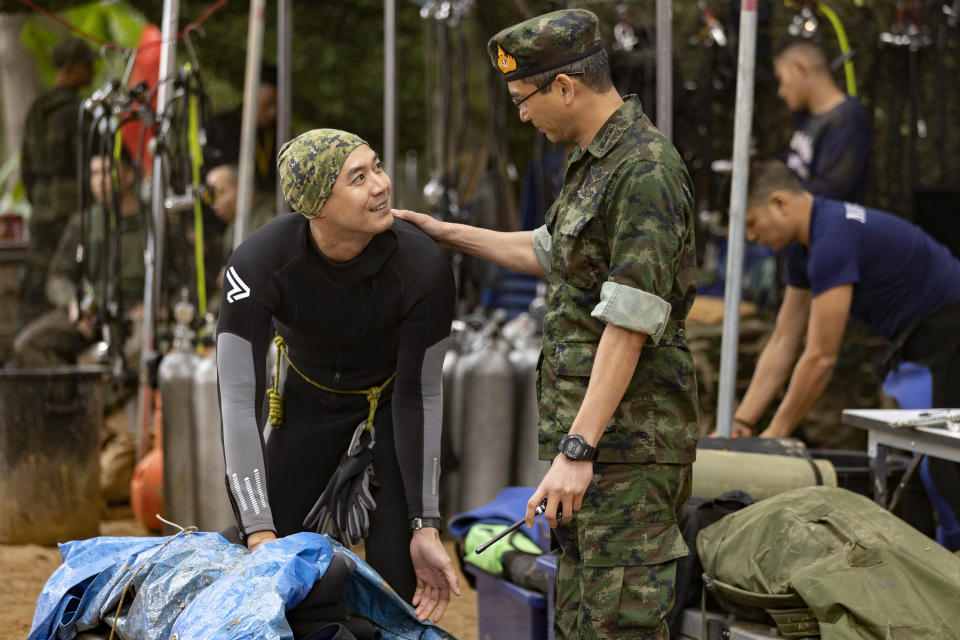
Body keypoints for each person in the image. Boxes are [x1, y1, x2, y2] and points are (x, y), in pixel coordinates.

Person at [395, 9, 698, 638]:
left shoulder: (645, 172)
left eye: (523, 98)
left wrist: (578, 449)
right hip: (595, 452)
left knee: (620, 626)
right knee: (580, 622)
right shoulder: (594, 161)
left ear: (565, 87)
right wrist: (444, 233)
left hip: (627, 452)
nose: (522, 115)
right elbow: (552, 250)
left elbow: (631, 321)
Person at [215, 129, 460, 623]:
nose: (381, 184)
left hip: (390, 413)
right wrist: (259, 529)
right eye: (358, 177)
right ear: (317, 205)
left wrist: (426, 524)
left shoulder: (423, 266)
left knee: (397, 588)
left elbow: (421, 395)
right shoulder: (259, 263)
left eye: (377, 167)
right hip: (302, 408)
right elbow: (238, 402)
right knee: (267, 570)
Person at [732, 159, 960, 439]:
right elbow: (784, 338)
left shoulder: (832, 240)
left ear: (779, 203)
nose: (751, 236)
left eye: (752, 223)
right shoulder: (804, 246)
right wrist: (744, 420)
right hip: (921, 338)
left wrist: (775, 434)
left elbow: (820, 357)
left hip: (949, 329)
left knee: (942, 463)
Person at [13, 150, 144, 369]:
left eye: (105, 172)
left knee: (138, 352)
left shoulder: (156, 222)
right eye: (93, 174)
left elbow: (178, 279)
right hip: (93, 313)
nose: (98, 182)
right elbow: (58, 278)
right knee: (29, 344)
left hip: (135, 314)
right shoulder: (82, 223)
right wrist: (74, 305)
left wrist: (159, 307)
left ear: (129, 175)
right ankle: (75, 398)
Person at [18, 37, 95, 329]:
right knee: (65, 276)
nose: (90, 73)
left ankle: (23, 342)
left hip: (42, 207)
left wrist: (39, 199)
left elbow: (26, 167)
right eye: (87, 67)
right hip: (69, 210)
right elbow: (88, 166)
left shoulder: (39, 109)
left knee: (38, 279)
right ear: (72, 69)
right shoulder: (77, 112)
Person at [775, 39, 871, 203]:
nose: (781, 92)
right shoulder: (806, 115)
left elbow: (829, 192)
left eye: (782, 80)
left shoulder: (847, 119)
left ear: (801, 69)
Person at [204, 64, 279, 193]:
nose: (273, 113)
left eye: (277, 105)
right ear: (250, 94)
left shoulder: (279, 132)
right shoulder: (221, 127)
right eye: (266, 104)